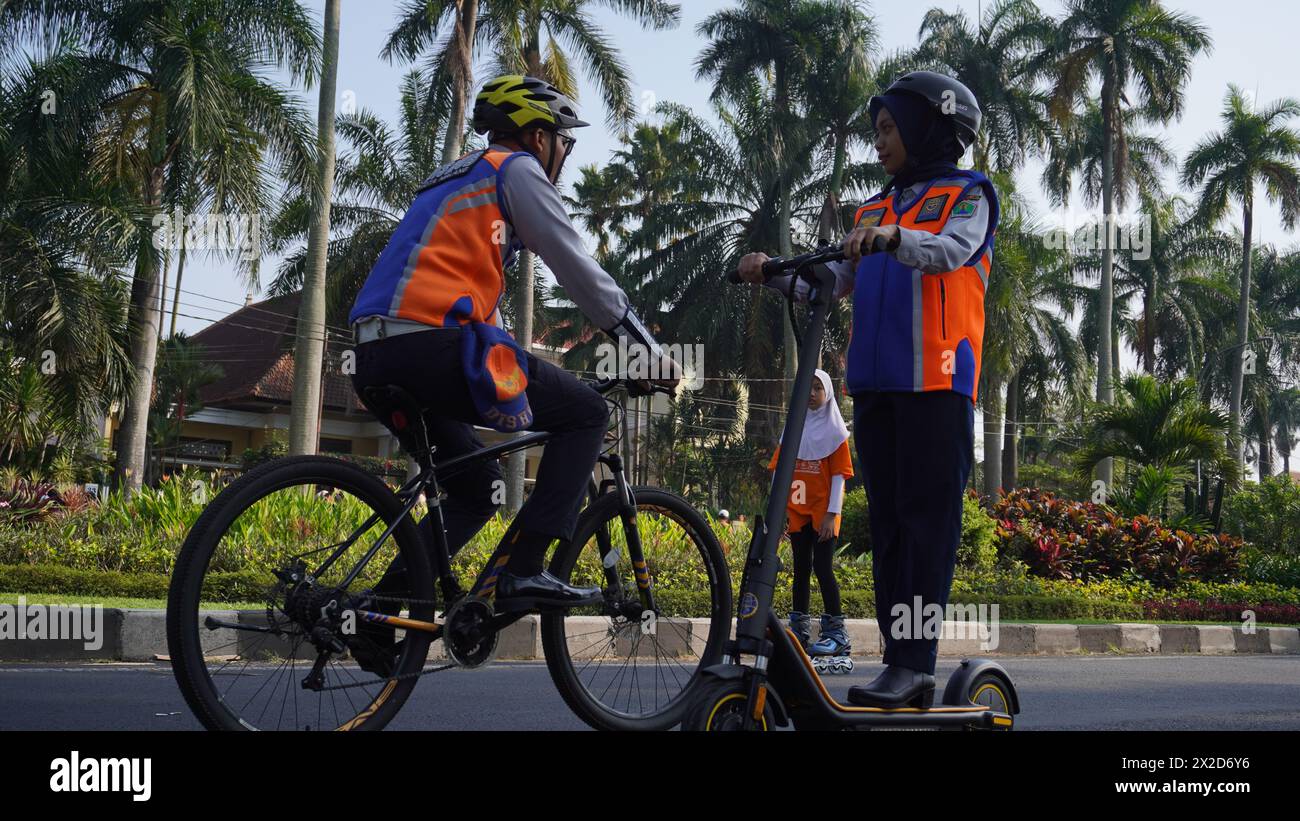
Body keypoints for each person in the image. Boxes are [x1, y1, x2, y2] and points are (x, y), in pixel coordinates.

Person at [346, 75, 679, 673]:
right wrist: (644, 347)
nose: (564, 156)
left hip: (375, 352)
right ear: (535, 135)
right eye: (563, 141)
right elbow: (577, 267)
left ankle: (378, 615)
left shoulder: (455, 176)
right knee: (585, 413)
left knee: (478, 489)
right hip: (431, 345)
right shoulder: (514, 169)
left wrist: (530, 367)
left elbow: (478, 306)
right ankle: (525, 571)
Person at [739, 71, 998, 707]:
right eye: (877, 130)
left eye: (889, 128)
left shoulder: (969, 195)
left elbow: (949, 251)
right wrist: (772, 272)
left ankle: (917, 661)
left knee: (927, 525)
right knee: (887, 526)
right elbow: (830, 282)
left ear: (926, 127)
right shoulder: (872, 209)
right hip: (877, 392)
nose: (879, 141)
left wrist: (894, 239)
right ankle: (897, 662)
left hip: (938, 386)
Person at [767, 369, 853, 666]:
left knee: (823, 567)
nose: (812, 394)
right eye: (808, 388)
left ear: (827, 393)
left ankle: (837, 633)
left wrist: (832, 514)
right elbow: (779, 471)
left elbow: (841, 478)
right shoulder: (793, 427)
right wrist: (776, 514)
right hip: (796, 510)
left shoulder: (835, 432)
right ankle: (799, 631)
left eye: (818, 388)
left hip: (824, 513)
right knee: (801, 568)